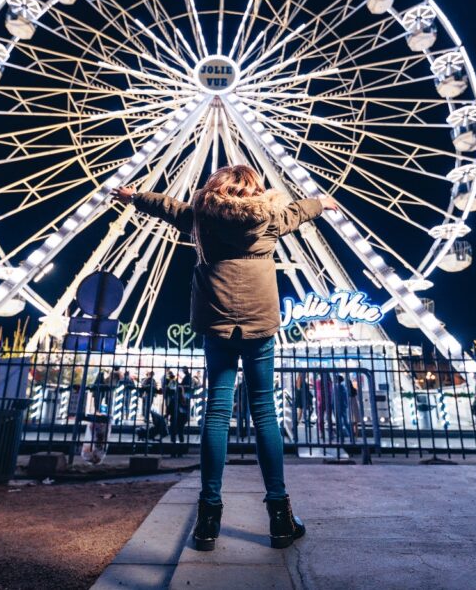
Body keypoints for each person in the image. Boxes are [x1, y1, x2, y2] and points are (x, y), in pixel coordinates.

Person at [114, 164, 333, 550]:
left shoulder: (201, 217)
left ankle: (208, 517)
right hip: (259, 322)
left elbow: (167, 206)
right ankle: (280, 517)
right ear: (254, 190)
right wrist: (323, 201)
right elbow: (300, 211)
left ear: (215, 188)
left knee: (217, 412)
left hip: (216, 321)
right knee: (265, 412)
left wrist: (134, 197)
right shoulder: (270, 217)